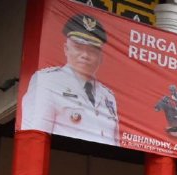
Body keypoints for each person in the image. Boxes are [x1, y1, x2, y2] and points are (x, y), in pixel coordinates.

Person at [21, 13, 119, 146]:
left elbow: (114, 142)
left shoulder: (108, 97)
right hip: (62, 159)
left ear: (101, 57)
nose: (85, 55)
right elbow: (34, 134)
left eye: (92, 50)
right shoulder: (47, 82)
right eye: (78, 48)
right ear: (66, 49)